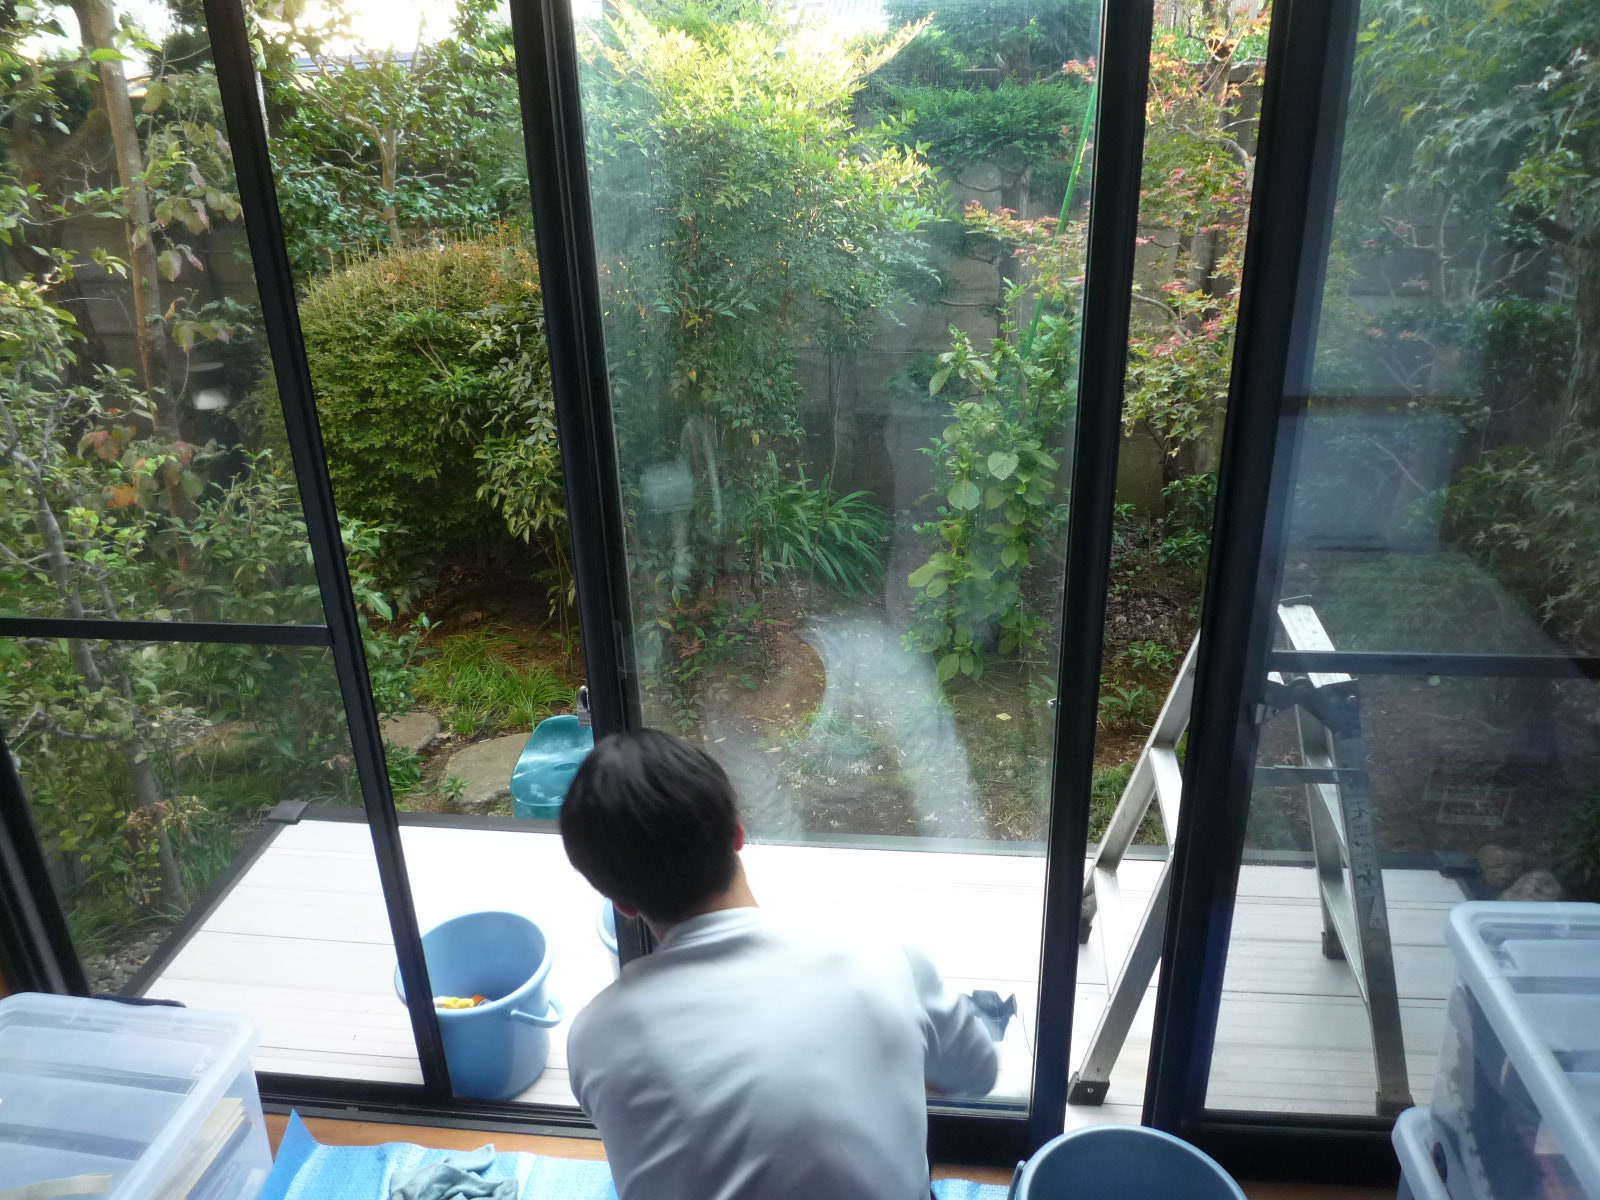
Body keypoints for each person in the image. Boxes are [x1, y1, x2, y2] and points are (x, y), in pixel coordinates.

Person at [559, 727, 999, 1200]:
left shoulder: (594, 1037)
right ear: (737, 833)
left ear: (621, 902)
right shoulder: (883, 958)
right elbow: (977, 1073)